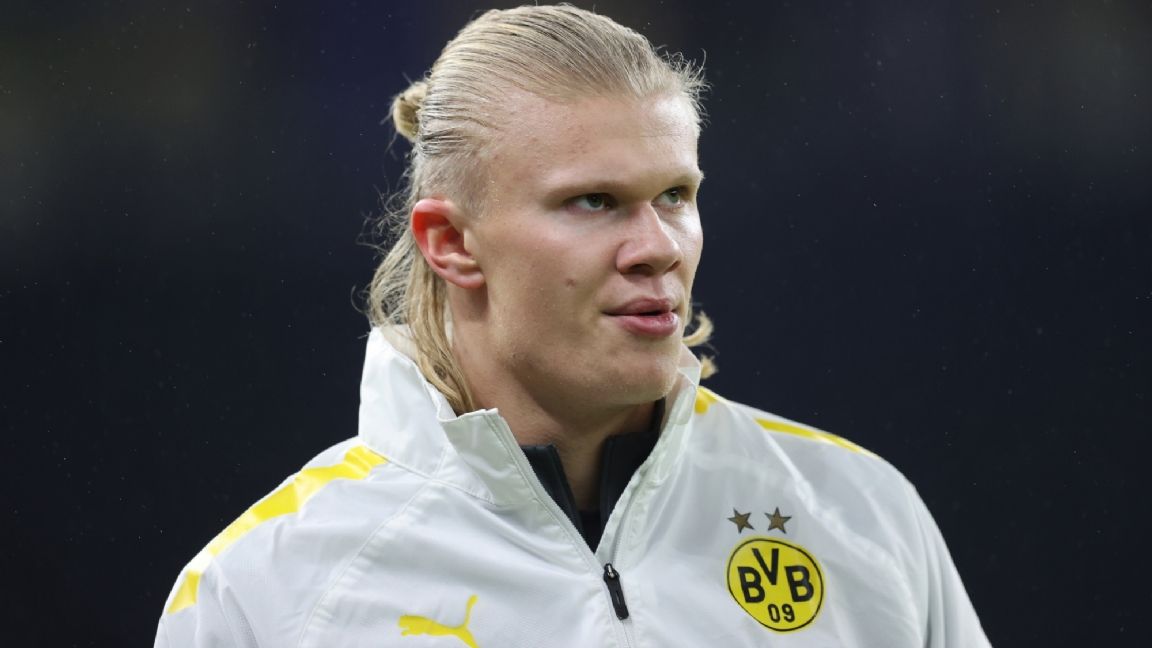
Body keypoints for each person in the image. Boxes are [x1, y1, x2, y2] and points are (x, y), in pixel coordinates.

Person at [155, 5, 991, 646]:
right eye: (594, 202)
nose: (658, 247)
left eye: (676, 196)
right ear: (451, 243)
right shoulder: (266, 592)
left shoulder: (861, 520)